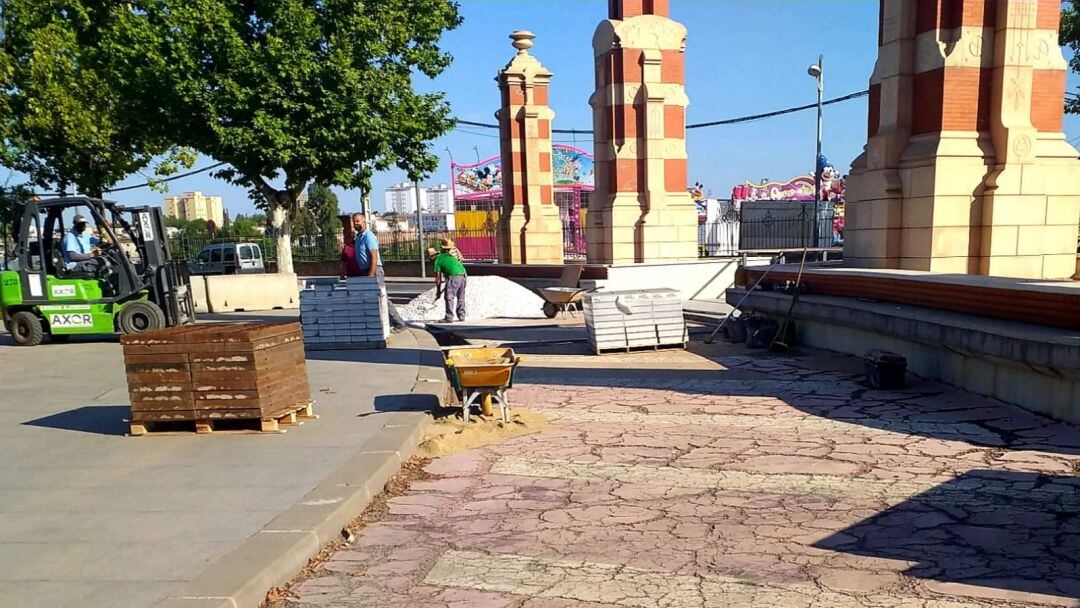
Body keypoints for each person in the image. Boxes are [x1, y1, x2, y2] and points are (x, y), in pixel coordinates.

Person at [351, 213, 406, 331]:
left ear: (364, 221)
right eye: (354, 221)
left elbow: (374, 257)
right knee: (371, 299)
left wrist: (370, 275)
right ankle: (379, 324)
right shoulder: (359, 238)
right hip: (365, 271)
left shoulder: (368, 236)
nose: (356, 224)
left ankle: (399, 323)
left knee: (382, 297)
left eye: (358, 221)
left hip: (374, 270)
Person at [432, 238, 467, 323]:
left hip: (453, 275)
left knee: (449, 297)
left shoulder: (438, 259)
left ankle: (449, 317)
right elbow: (459, 262)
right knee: (460, 296)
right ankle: (461, 316)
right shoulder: (450, 256)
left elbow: (438, 278)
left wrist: (438, 291)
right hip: (463, 274)